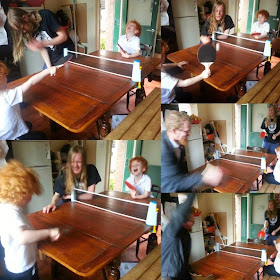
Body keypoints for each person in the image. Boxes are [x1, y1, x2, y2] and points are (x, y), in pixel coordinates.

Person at [0, 160, 60, 280]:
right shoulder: (12, 213)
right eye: (30, 193)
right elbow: (22, 237)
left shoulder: (5, 206)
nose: (31, 197)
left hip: (14, 263)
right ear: (21, 193)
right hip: (23, 267)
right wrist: (48, 232)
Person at [161, 110, 224, 193]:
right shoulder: (163, 148)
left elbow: (180, 171)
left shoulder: (179, 140)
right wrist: (204, 178)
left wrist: (191, 185)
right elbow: (172, 183)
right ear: (174, 131)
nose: (190, 133)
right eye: (187, 131)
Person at [0, 61, 58, 140]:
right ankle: (20, 135)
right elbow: (31, 82)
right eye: (5, 75)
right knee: (42, 136)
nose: (7, 78)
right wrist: (48, 70)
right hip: (12, 135)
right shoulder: (7, 97)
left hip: (2, 133)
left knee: (28, 124)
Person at [162, 194, 215, 280]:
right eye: (191, 221)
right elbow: (178, 214)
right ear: (183, 221)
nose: (193, 223)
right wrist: (192, 194)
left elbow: (184, 257)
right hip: (169, 276)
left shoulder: (185, 233)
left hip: (181, 272)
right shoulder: (172, 231)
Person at [7, 8, 74, 74]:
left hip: (65, 52)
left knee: (64, 76)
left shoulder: (45, 15)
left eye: (23, 28)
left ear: (25, 17)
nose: (24, 31)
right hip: (53, 57)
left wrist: (42, 43)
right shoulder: (28, 30)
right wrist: (49, 67)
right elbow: (43, 50)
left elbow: (63, 36)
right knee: (46, 74)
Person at [43, 145, 101, 213]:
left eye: (79, 162)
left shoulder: (91, 169)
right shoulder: (63, 173)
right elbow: (57, 194)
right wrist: (52, 204)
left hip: (83, 205)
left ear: (84, 162)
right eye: (73, 162)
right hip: (65, 205)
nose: (75, 165)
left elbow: (90, 196)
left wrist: (70, 196)